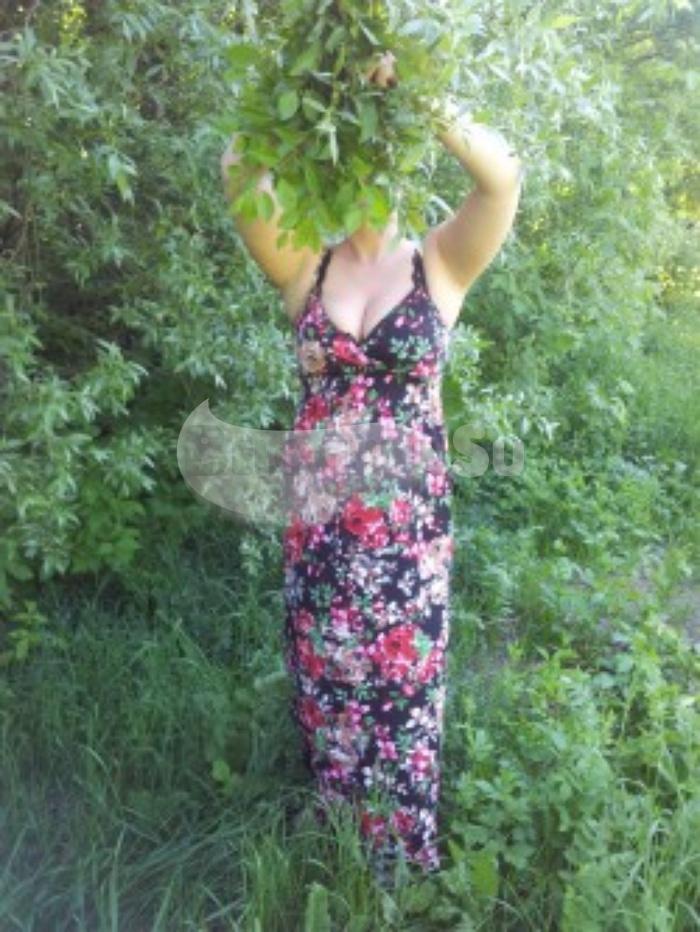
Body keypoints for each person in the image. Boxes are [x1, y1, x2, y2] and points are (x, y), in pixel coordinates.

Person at [221, 50, 523, 885]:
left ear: (402, 156)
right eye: (345, 149)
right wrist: (310, 84)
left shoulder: (440, 263)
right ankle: (338, 849)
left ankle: (401, 872)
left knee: (402, 700)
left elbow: (502, 178)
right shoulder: (301, 263)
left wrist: (414, 94)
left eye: (379, 149)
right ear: (325, 161)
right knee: (327, 690)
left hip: (405, 541)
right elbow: (237, 163)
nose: (365, 170)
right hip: (320, 533)